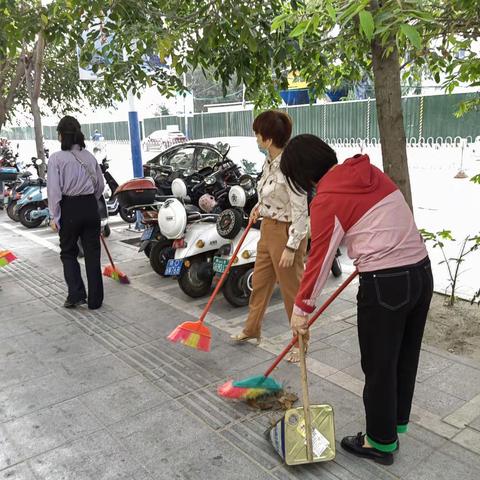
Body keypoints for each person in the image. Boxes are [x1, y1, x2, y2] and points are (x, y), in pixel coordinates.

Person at [281, 134, 433, 465]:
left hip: (386, 285)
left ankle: (379, 444)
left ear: (304, 177)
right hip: (421, 273)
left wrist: (300, 311)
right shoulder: (368, 172)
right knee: (402, 357)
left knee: (379, 365)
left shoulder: (327, 197)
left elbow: (319, 259)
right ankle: (393, 426)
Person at [230, 110, 308, 363]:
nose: (255, 138)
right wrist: (259, 207)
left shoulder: (290, 166)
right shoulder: (269, 162)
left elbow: (300, 210)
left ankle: (300, 342)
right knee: (261, 282)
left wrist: (291, 246)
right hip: (267, 229)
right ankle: (251, 329)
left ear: (269, 139)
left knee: (291, 291)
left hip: (286, 233)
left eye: (257, 134)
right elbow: (270, 194)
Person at [47, 116, 105, 309]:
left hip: (70, 208)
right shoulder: (89, 156)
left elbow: (54, 191)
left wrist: (54, 216)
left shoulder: (56, 159)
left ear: (62, 135)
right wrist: (90, 201)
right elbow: (100, 185)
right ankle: (96, 301)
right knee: (92, 254)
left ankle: (76, 294)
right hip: (90, 207)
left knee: (68, 253)